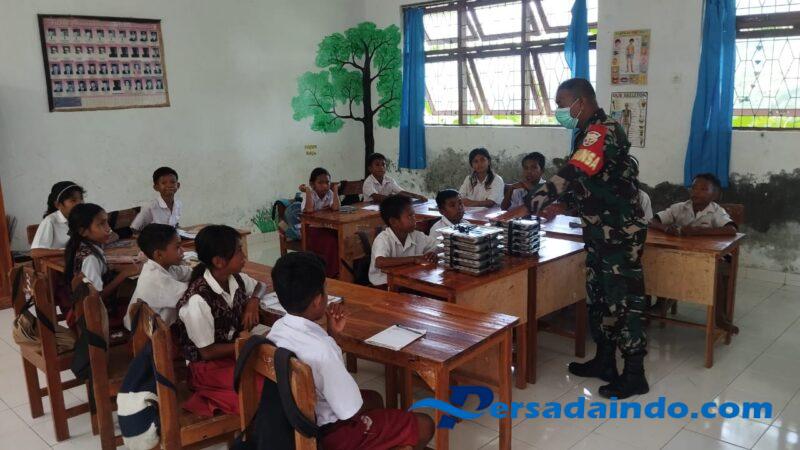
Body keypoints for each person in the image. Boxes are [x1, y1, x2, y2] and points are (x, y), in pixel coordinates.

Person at [501, 78, 649, 399]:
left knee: (624, 300)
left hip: (619, 234)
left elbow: (574, 171)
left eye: (561, 104)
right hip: (597, 232)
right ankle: (605, 361)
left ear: (580, 102)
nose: (559, 110)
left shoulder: (604, 130)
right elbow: (589, 183)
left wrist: (530, 204)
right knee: (599, 296)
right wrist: (561, 204)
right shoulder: (585, 132)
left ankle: (635, 373)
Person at [268, 252, 434, 450]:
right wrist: (331, 344)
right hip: (326, 436)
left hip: (290, 424)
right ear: (318, 300)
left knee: (374, 399)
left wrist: (333, 335)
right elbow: (349, 410)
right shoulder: (322, 349)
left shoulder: (277, 329)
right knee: (424, 425)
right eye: (326, 288)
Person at [174, 225, 267, 417]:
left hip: (233, 355)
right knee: (263, 387)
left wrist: (253, 302)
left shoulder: (235, 279)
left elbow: (261, 285)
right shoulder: (198, 300)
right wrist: (247, 343)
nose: (244, 256)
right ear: (219, 261)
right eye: (239, 251)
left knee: (276, 373)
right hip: (206, 367)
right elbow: (207, 352)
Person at [64, 203, 141, 326]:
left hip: (91, 311)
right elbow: (96, 298)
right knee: (139, 304)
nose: (108, 228)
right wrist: (124, 274)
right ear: (83, 231)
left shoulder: (88, 246)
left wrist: (115, 267)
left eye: (107, 222)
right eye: (101, 224)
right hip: (95, 318)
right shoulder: (91, 259)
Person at [123, 224, 191, 330]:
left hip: (147, 323)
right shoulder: (155, 278)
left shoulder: (166, 266)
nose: (183, 251)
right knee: (191, 305)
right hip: (143, 332)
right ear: (159, 254)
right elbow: (191, 293)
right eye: (177, 247)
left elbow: (189, 273)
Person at [368, 195, 437, 287]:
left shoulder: (417, 235)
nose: (415, 219)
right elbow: (380, 262)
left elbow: (438, 245)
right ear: (394, 222)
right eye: (410, 216)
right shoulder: (383, 238)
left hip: (406, 281)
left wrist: (434, 253)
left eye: (414, 215)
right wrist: (414, 259)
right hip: (384, 285)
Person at [649, 173, 736, 236]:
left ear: (715, 195)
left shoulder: (716, 211)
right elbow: (652, 221)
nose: (696, 192)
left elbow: (732, 230)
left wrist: (698, 231)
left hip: (707, 252)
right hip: (680, 250)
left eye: (703, 189)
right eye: (693, 188)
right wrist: (666, 229)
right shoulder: (679, 207)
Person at [299, 167, 341, 278]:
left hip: (327, 227)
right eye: (320, 183)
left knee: (342, 238)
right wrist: (308, 191)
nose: (325, 186)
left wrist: (335, 190)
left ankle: (342, 269)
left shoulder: (330, 193)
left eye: (327, 182)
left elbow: (336, 207)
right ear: (312, 184)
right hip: (311, 230)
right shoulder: (309, 194)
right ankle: (331, 274)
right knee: (331, 242)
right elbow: (309, 210)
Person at [31, 182, 86, 254]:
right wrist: (68, 251)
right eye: (73, 200)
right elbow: (35, 252)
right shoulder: (50, 221)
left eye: (81, 199)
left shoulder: (83, 218)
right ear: (58, 205)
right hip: (60, 260)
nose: (80, 203)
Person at [131, 166, 182, 231]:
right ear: (156, 187)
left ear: (178, 185)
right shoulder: (150, 207)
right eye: (164, 183)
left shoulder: (178, 204)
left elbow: (174, 224)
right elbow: (134, 228)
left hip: (171, 236)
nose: (169, 185)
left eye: (173, 182)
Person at [362, 153, 427, 203]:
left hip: (384, 207)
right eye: (377, 165)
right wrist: (394, 198)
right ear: (370, 168)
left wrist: (417, 196)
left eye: (383, 164)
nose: (381, 167)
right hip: (368, 210)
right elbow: (377, 197)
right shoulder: (368, 182)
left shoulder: (389, 180)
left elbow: (401, 192)